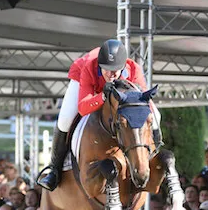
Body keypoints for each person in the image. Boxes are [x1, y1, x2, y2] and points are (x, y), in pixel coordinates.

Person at [36, 39, 160, 191]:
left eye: (116, 70)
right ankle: (54, 169)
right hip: (85, 80)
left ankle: (151, 157)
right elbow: (83, 107)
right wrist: (101, 96)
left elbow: (142, 105)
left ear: (123, 66)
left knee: (155, 115)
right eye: (106, 69)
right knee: (65, 120)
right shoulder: (89, 68)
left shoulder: (134, 71)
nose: (111, 74)